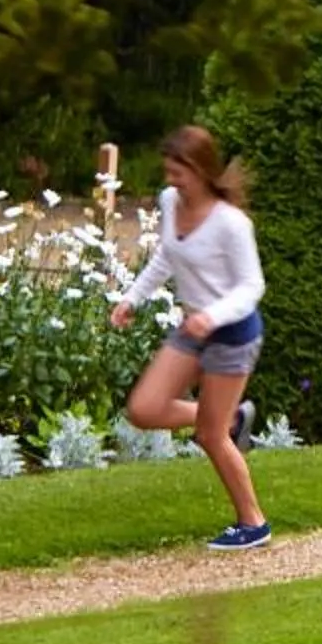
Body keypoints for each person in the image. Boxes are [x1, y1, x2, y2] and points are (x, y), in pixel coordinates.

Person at [111, 124, 272, 551]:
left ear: (201, 171)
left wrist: (212, 316)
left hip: (233, 335)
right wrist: (133, 298)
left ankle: (253, 523)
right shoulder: (170, 202)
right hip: (192, 329)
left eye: (178, 173)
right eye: (167, 172)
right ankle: (233, 418)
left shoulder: (230, 224)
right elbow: (167, 253)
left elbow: (252, 287)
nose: (170, 181)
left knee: (209, 436)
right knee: (143, 409)